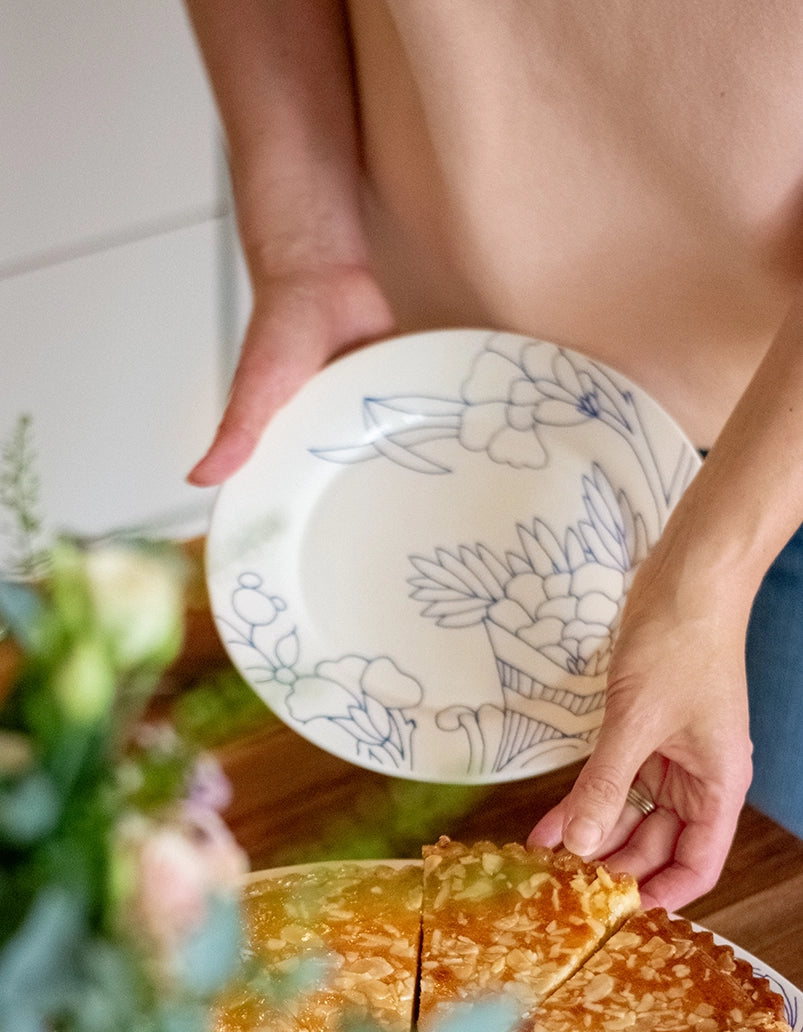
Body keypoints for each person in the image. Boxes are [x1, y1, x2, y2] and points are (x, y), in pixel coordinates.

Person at [182, 0, 803, 911]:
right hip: (439, 394)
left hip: (772, 442)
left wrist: (704, 582)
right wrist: (306, 256)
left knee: (731, 925)